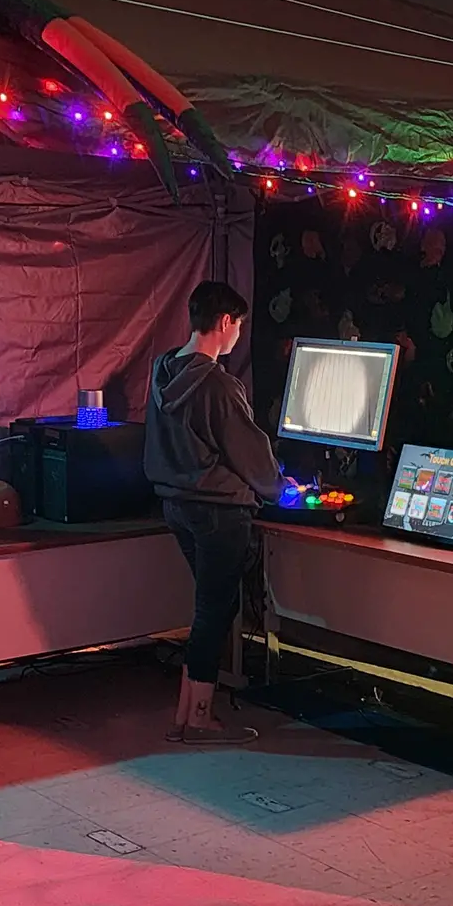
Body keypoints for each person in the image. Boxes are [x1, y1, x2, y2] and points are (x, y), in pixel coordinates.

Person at [145, 281, 287, 745]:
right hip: (219, 511)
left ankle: (183, 716)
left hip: (176, 505)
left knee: (209, 606)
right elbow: (249, 452)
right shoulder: (220, 387)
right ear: (225, 322)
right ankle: (199, 716)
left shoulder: (163, 370)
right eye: (239, 325)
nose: (239, 335)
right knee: (214, 609)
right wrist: (283, 490)